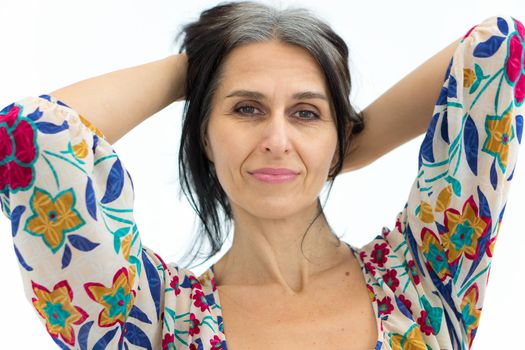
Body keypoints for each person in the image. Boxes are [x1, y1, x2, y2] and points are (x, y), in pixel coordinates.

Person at [0, 1, 523, 349]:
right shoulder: (157, 319)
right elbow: (30, 137)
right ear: (205, 135)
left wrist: (350, 148)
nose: (277, 139)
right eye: (246, 109)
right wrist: (198, 68)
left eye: (306, 113)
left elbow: (501, 49)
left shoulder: (426, 278)